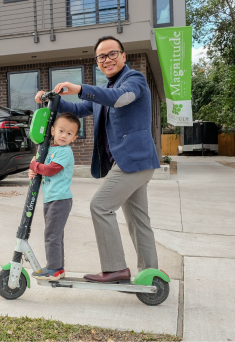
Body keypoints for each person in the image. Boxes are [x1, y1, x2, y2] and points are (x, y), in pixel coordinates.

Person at [34, 36, 159, 284]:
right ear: (98, 62)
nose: (107, 60)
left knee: (100, 206)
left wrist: (81, 88)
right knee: (138, 220)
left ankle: (114, 269)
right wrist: (51, 102)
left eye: (112, 54)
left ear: (124, 56)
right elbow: (78, 110)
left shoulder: (134, 80)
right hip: (130, 163)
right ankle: (151, 275)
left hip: (133, 161)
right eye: (101, 57)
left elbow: (122, 98)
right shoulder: (106, 93)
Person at [28, 113, 80, 281]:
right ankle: (58, 268)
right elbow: (40, 169)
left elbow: (50, 170)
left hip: (60, 199)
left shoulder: (65, 152)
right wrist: (33, 170)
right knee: (55, 235)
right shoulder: (50, 150)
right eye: (61, 131)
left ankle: (54, 270)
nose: (64, 135)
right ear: (52, 130)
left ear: (74, 138)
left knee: (52, 235)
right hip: (51, 199)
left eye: (69, 133)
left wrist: (34, 165)